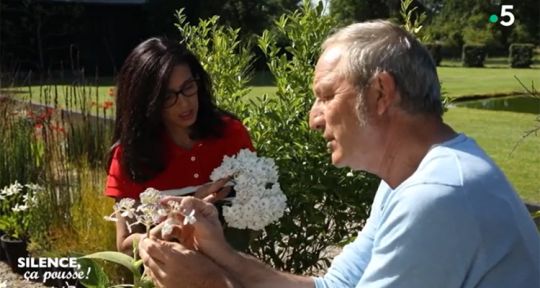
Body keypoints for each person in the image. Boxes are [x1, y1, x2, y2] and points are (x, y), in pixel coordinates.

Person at [138, 20, 540, 288]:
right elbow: (335, 286)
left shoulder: (438, 195)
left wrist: (210, 284)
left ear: (381, 93)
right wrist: (220, 252)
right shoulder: (405, 182)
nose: (314, 119)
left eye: (326, 96)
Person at [104, 37, 255, 255]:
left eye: (188, 87)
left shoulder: (231, 134)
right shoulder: (130, 155)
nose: (184, 103)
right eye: (167, 96)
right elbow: (125, 245)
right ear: (147, 101)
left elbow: (255, 220)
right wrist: (180, 217)